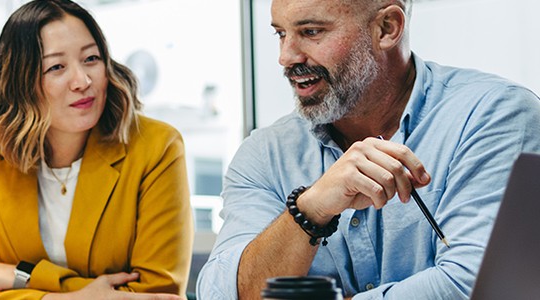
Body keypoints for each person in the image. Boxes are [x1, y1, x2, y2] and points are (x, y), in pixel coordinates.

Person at [197, 0, 540, 299]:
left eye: (312, 31)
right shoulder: (264, 154)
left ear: (387, 28)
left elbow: (474, 287)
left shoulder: (493, 116)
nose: (286, 57)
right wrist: (310, 210)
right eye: (280, 33)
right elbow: (223, 293)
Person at [0, 0, 193, 299]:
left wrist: (16, 277)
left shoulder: (157, 147)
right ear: (20, 81)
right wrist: (69, 295)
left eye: (91, 59)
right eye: (56, 66)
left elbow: (157, 294)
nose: (83, 81)